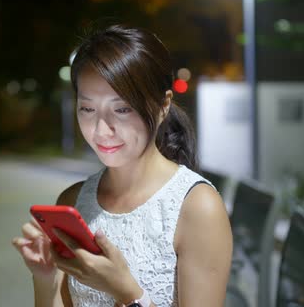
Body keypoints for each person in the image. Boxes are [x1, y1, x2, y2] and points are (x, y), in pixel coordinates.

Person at [12, 24, 232, 307]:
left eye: (122, 109)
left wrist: (129, 294)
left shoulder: (198, 207)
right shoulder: (73, 201)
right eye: (88, 109)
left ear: (163, 105)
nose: (102, 130)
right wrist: (45, 279)